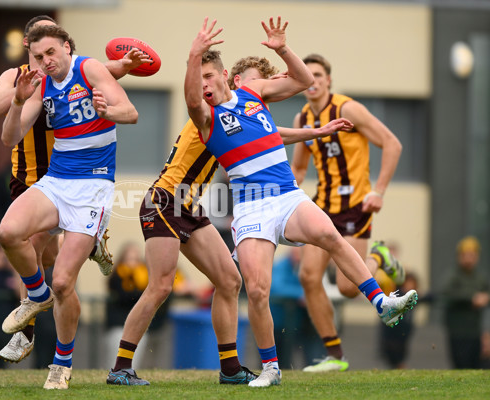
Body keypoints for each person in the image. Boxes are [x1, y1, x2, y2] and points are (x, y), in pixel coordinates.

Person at [184, 16, 418, 387]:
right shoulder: (205, 116)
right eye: (198, 78)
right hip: (251, 207)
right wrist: (194, 55)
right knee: (258, 289)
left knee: (329, 234)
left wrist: (282, 49)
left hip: (286, 195)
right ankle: (272, 368)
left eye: (208, 76)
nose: (203, 85)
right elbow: (193, 99)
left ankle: (382, 303)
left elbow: (303, 82)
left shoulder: (251, 95)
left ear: (227, 76)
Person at [105, 48, 350, 386]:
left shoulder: (232, 112)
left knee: (230, 281)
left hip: (189, 206)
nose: (260, 89)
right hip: (164, 201)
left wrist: (313, 133)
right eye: (255, 81)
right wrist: (195, 57)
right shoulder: (209, 110)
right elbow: (259, 121)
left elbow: (269, 134)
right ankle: (120, 367)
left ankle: (230, 368)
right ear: (230, 79)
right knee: (161, 286)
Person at [0, 15, 148, 365]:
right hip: (34, 178)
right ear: (29, 46)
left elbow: (108, 85)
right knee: (36, 258)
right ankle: (35, 319)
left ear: (64, 45)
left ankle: (53, 351)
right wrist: (19, 93)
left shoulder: (76, 68)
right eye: (39, 50)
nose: (46, 58)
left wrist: (124, 66)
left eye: (52, 49)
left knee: (57, 275)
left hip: (77, 175)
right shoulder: (19, 78)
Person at [290, 53, 406, 372]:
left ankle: (379, 257)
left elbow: (392, 143)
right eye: (306, 75)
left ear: (328, 80)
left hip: (357, 204)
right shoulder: (302, 119)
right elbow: (299, 167)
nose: (311, 81)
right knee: (309, 276)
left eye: (318, 75)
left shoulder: (347, 109)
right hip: (324, 206)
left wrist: (378, 191)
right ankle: (335, 356)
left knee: (347, 289)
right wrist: (279, 187)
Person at [270, 247, 325, 369]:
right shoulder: (281, 266)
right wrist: (302, 294)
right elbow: (276, 288)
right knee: (279, 359)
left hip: (297, 322)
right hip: (277, 324)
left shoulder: (303, 267)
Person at [443, 236, 490, 369]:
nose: (469, 259)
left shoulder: (481, 277)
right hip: (458, 331)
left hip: (476, 332)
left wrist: (486, 298)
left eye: (473, 255)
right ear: (460, 256)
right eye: (466, 255)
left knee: (477, 367)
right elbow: (447, 294)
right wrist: (472, 298)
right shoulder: (453, 276)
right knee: (460, 366)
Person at [379, 271, 419, 369]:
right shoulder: (398, 296)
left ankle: (398, 365)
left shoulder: (413, 297)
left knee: (402, 349)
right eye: (408, 283)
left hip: (405, 331)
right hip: (393, 332)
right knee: (393, 351)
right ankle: (397, 365)